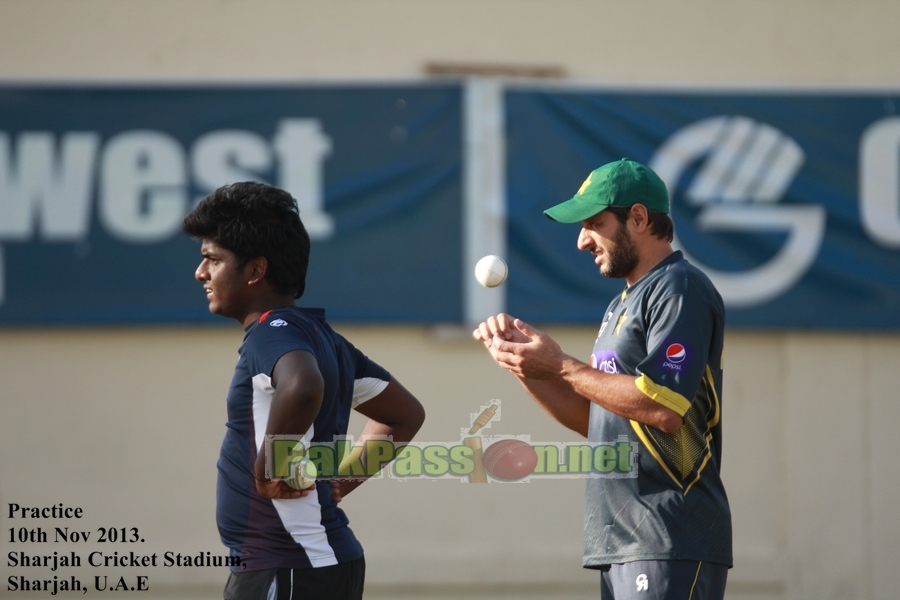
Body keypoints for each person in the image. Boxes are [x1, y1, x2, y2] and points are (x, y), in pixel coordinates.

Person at [474, 158, 732, 599]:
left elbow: (662, 407)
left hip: (669, 532)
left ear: (638, 217)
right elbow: (593, 419)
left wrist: (560, 365)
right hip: (622, 542)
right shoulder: (622, 305)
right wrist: (524, 364)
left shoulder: (679, 287)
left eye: (594, 223)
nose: (581, 241)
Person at [182, 182, 425, 600]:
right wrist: (340, 482)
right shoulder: (322, 337)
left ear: (256, 270)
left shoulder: (271, 333)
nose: (200, 273)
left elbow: (302, 385)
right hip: (306, 564)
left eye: (212, 260)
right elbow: (404, 415)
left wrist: (268, 470)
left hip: (290, 566)